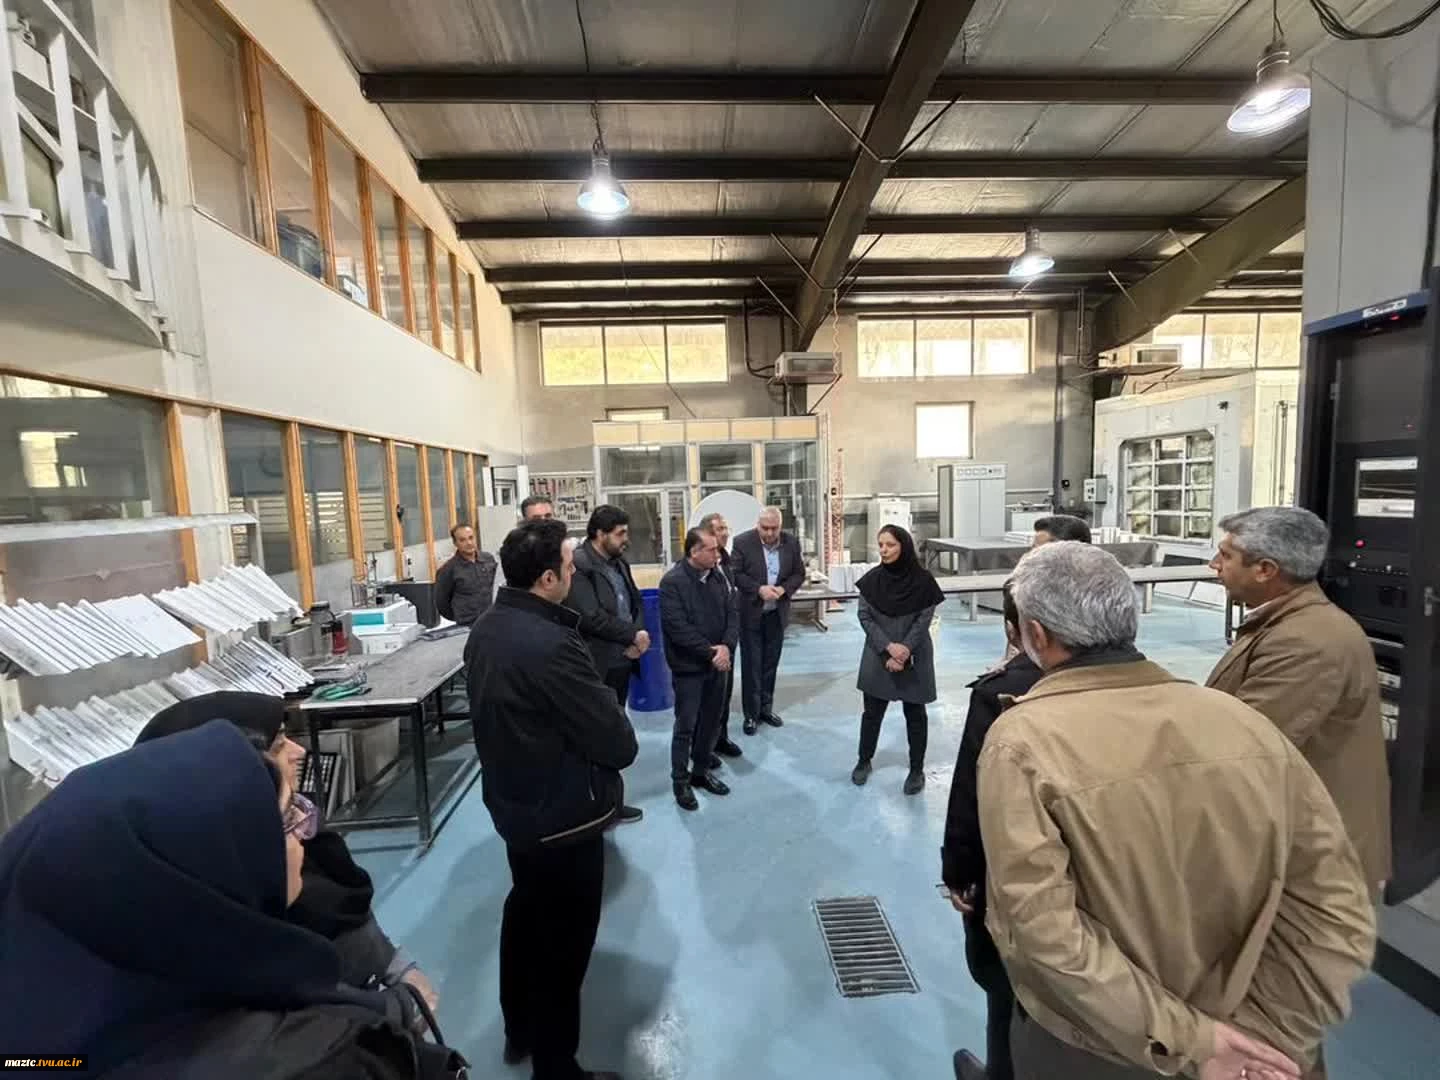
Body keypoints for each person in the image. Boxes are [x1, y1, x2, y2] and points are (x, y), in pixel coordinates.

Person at [978, 542, 1376, 1080]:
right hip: (1264, 1055)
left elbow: (1044, 931)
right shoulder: (1245, 723)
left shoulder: (1022, 743)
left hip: (1101, 1050)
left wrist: (1194, 1042)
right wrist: (1264, 1036)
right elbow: (1332, 900)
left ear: (1036, 634)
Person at [0, 721, 466, 1079]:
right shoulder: (315, 1057)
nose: (300, 841)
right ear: (205, 862)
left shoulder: (42, 1045)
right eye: (284, 821)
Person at [465, 518, 636, 1080]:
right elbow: (616, 741)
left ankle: (520, 1030)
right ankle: (556, 1067)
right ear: (546, 579)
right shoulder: (551, 645)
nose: (573, 573)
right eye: (567, 566)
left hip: (514, 805)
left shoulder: (488, 628)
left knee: (525, 913)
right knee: (564, 944)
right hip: (562, 817)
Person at [134, 691, 437, 1006]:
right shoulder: (227, 925)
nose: (299, 751)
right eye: (278, 745)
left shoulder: (307, 838)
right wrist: (395, 1011)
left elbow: (352, 917)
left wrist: (398, 970)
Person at [1206, 507, 1391, 901]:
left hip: (1311, 863)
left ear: (1265, 570)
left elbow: (1245, 746)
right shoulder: (1284, 624)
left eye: (1225, 556)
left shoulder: (1306, 641)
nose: (1214, 566)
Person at [943, 583, 1043, 1080]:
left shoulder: (999, 693)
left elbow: (974, 794)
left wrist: (960, 876)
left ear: (1017, 629)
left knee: (1007, 990)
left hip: (1016, 879)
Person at [566, 503, 649, 826]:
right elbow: (590, 617)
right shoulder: (580, 565)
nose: (626, 539)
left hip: (622, 660)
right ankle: (598, 807)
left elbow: (635, 601)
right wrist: (632, 635)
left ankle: (612, 802)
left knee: (614, 730)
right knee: (597, 735)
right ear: (599, 534)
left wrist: (637, 636)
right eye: (620, 533)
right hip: (597, 663)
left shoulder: (618, 562)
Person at [850, 524, 943, 795]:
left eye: (890, 545)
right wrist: (888, 647)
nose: (884, 550)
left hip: (914, 655)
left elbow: (923, 619)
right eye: (880, 544)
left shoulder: (923, 581)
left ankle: (916, 770)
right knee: (871, 714)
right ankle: (864, 760)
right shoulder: (871, 581)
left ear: (904, 546)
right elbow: (864, 616)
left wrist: (904, 650)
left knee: (915, 715)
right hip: (878, 654)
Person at [660, 527, 739, 811]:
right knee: (686, 726)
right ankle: (680, 781)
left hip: (718, 665)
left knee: (711, 723)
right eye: (712, 549)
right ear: (694, 551)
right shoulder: (672, 583)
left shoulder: (719, 577)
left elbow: (733, 614)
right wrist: (712, 652)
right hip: (689, 669)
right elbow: (678, 629)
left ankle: (700, 772)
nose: (718, 553)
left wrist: (726, 646)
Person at [731, 506, 804, 735]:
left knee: (770, 664)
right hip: (751, 614)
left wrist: (783, 589)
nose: (770, 533)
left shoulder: (791, 543)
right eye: (765, 528)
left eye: (774, 528)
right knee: (752, 665)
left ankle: (765, 709)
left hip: (776, 614)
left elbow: (799, 573)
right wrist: (758, 589)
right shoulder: (742, 542)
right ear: (758, 525)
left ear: (780, 526)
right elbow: (735, 574)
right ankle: (751, 715)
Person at [699, 511, 744, 760]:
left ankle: (721, 738)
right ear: (707, 535)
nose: (725, 533)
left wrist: (729, 641)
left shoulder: (726, 561)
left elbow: (731, 603)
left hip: (728, 641)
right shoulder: (698, 567)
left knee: (724, 693)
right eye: (719, 529)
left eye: (726, 528)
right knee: (707, 699)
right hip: (708, 645)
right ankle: (703, 747)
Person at [434, 523, 498, 625]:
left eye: (471, 538)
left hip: (493, 619)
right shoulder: (448, 570)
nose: (469, 543)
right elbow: (442, 604)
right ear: (455, 543)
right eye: (462, 540)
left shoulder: (488, 559)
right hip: (468, 624)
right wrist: (460, 616)